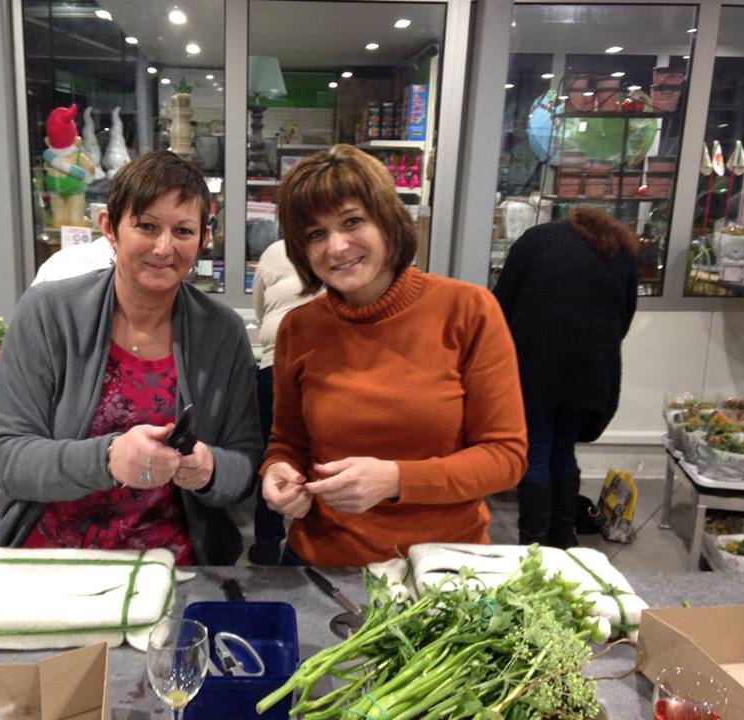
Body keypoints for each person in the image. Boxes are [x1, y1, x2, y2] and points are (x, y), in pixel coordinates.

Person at [0, 150, 262, 565]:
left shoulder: (222, 332)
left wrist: (210, 470)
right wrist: (109, 458)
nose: (164, 247)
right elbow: (8, 458)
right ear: (110, 229)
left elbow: (245, 461)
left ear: (204, 238)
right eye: (147, 226)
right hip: (54, 557)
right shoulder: (48, 313)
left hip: (174, 561)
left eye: (183, 231)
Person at [260, 144, 528, 567]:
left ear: (387, 220)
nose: (337, 247)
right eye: (315, 234)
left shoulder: (468, 310)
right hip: (323, 562)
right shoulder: (300, 327)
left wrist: (396, 480)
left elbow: (505, 457)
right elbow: (288, 442)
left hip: (441, 566)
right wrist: (278, 472)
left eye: (352, 222)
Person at [493, 208, 638, 549]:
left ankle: (533, 544)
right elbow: (625, 315)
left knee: (537, 451)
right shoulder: (620, 252)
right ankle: (563, 537)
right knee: (563, 451)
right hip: (591, 369)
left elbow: (500, 303)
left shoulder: (536, 240)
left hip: (536, 365)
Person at [248, 239, 321, 565]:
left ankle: (266, 544)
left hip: (275, 365)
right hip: (327, 368)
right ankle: (316, 540)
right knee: (325, 456)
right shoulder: (342, 253)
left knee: (275, 457)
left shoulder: (273, 250)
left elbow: (261, 310)